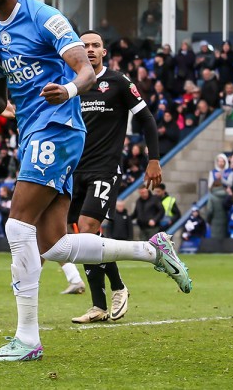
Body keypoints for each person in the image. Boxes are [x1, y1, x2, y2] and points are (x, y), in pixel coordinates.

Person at [0, 0, 191, 362]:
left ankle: (27, 339)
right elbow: (0, 101)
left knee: (16, 227)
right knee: (54, 245)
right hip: (31, 132)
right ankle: (153, 250)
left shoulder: (45, 16)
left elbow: (86, 69)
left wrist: (70, 90)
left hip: (58, 128)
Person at [68, 29, 163, 324]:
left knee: (86, 228)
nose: (91, 49)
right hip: (74, 170)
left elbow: (146, 118)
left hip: (105, 169)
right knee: (80, 239)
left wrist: (153, 159)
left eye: (96, 45)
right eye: (85, 46)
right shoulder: (72, 84)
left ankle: (119, 289)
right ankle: (98, 305)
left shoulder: (118, 82)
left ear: (104, 52)